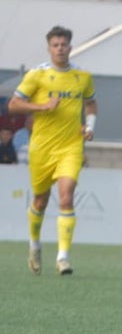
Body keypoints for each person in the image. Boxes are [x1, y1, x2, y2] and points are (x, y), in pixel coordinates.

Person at [7, 26, 97, 276]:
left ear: (70, 47)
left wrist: (89, 127)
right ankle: (34, 244)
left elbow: (91, 104)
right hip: (42, 148)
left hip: (71, 146)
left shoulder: (82, 76)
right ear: (49, 48)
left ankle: (63, 257)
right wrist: (42, 106)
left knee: (66, 195)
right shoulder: (37, 75)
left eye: (64, 44)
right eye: (56, 45)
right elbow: (13, 105)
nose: (60, 48)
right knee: (40, 200)